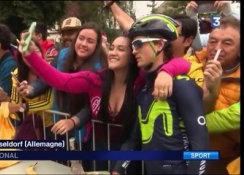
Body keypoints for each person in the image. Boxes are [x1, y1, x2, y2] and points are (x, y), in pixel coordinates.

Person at [19, 17, 191, 174]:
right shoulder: (96, 79)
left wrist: (166, 72)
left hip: (129, 158)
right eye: (112, 48)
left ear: (132, 55)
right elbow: (61, 80)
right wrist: (31, 56)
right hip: (96, 152)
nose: (113, 52)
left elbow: (182, 62)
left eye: (121, 49)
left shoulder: (140, 80)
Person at [120, 14, 209, 174]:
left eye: (138, 44)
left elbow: (201, 145)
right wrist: (118, 169)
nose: (134, 51)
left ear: (159, 44)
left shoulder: (182, 84)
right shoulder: (144, 89)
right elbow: (134, 139)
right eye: (132, 46)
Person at [195, 15, 240, 175]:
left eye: (227, 43)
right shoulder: (191, 66)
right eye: (213, 41)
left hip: (227, 161)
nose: (217, 48)